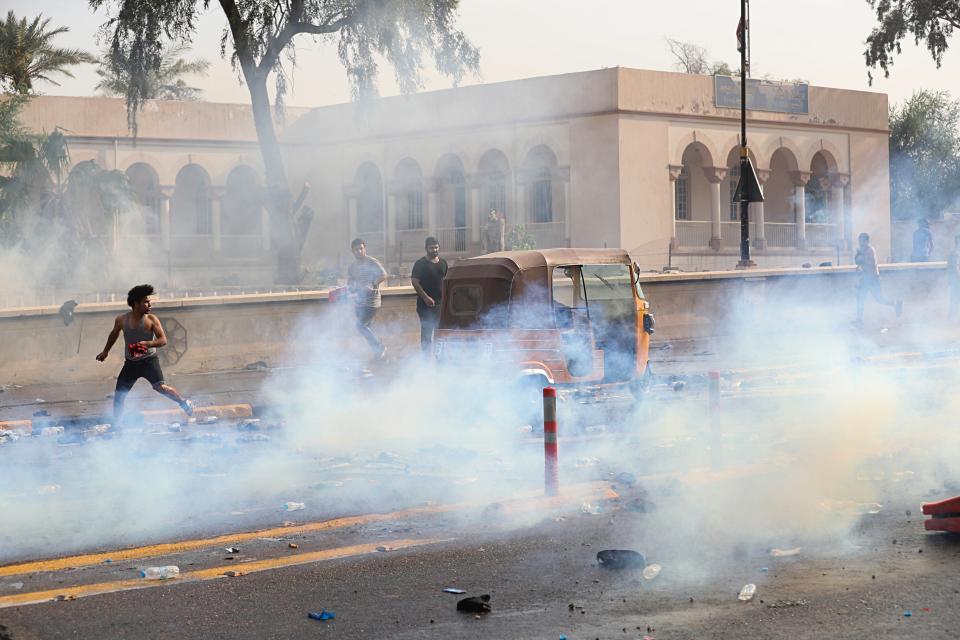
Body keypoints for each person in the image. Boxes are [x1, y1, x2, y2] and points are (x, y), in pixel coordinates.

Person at [96, 284, 193, 424]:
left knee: (160, 387)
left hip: (149, 361)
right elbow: (114, 334)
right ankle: (116, 424)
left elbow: (163, 340)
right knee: (119, 395)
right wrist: (105, 352)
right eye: (146, 302)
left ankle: (184, 403)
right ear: (136, 303)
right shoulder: (121, 320)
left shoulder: (151, 319)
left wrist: (148, 344)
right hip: (131, 363)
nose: (149, 305)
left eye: (149, 302)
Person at [347, 237, 388, 360]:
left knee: (360, 326)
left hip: (372, 301)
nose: (359, 251)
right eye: (356, 250)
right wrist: (347, 289)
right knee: (367, 327)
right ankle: (377, 353)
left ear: (365, 249)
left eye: (361, 248)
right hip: (359, 302)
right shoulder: (352, 266)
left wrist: (372, 284)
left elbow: (384, 275)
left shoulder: (372, 262)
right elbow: (351, 282)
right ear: (352, 251)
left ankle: (379, 347)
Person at [854, 232, 902, 327]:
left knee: (880, 299)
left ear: (867, 241)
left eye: (863, 241)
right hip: (865, 279)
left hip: (873, 279)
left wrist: (860, 259)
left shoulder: (870, 251)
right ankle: (859, 320)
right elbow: (860, 265)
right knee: (860, 299)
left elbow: (869, 266)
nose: (861, 243)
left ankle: (896, 303)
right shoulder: (862, 251)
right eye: (860, 241)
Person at [410, 236, 448, 352]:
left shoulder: (443, 263)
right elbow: (415, 282)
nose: (435, 250)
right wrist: (426, 298)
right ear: (426, 248)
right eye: (432, 248)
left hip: (440, 305)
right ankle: (425, 360)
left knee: (439, 332)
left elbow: (447, 281)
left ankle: (438, 357)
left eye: (436, 247)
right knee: (427, 332)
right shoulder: (420, 264)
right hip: (425, 306)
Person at [948, 235, 960, 320]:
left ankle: (953, 317)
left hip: (955, 280)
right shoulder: (955, 253)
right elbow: (955, 268)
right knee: (955, 299)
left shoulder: (955, 252)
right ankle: (953, 318)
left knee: (954, 299)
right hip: (956, 280)